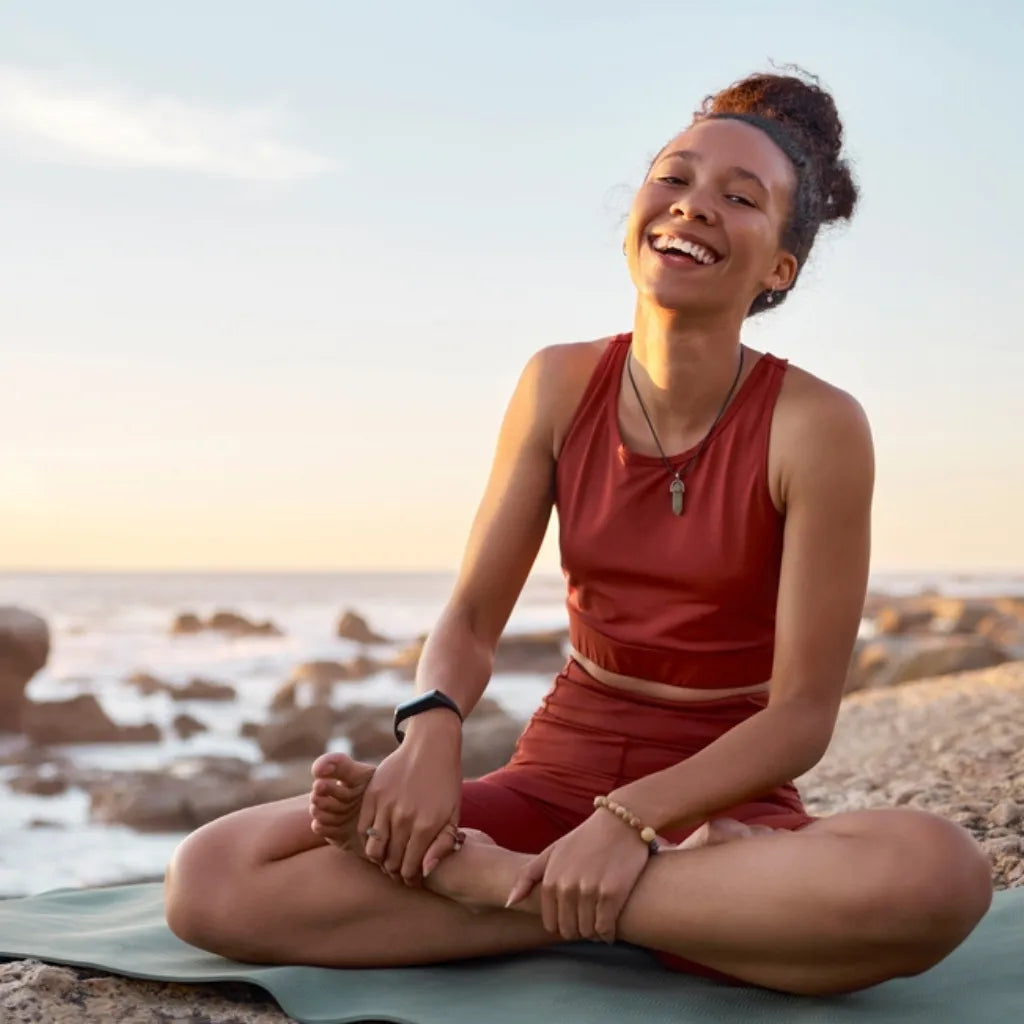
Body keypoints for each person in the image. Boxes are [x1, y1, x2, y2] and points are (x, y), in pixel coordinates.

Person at [163, 69, 992, 995]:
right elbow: (470, 619)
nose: (693, 205)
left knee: (938, 877)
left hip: (718, 795)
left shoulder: (818, 425)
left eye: (740, 197)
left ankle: (499, 890)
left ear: (779, 270)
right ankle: (653, 905)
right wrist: (429, 736)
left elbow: (800, 717)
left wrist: (628, 824)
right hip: (555, 778)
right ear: (637, 211)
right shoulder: (558, 384)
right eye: (673, 177)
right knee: (213, 880)